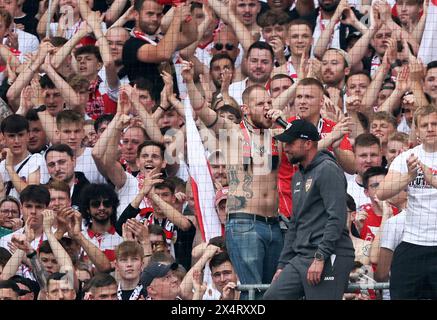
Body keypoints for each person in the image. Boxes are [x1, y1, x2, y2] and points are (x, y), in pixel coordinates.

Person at [264, 119, 354, 300]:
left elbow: (336, 217)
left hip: (330, 254)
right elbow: (295, 224)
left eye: (291, 142)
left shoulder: (328, 169)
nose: (286, 147)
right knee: (272, 297)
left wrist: (321, 257)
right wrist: (282, 265)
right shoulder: (298, 176)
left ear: (308, 143)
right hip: (302, 256)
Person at [376, 105, 437, 299]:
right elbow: (382, 192)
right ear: (416, 131)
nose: (430, 128)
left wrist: (432, 179)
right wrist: (408, 177)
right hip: (412, 244)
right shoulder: (406, 158)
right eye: (425, 125)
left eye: (434, 124)